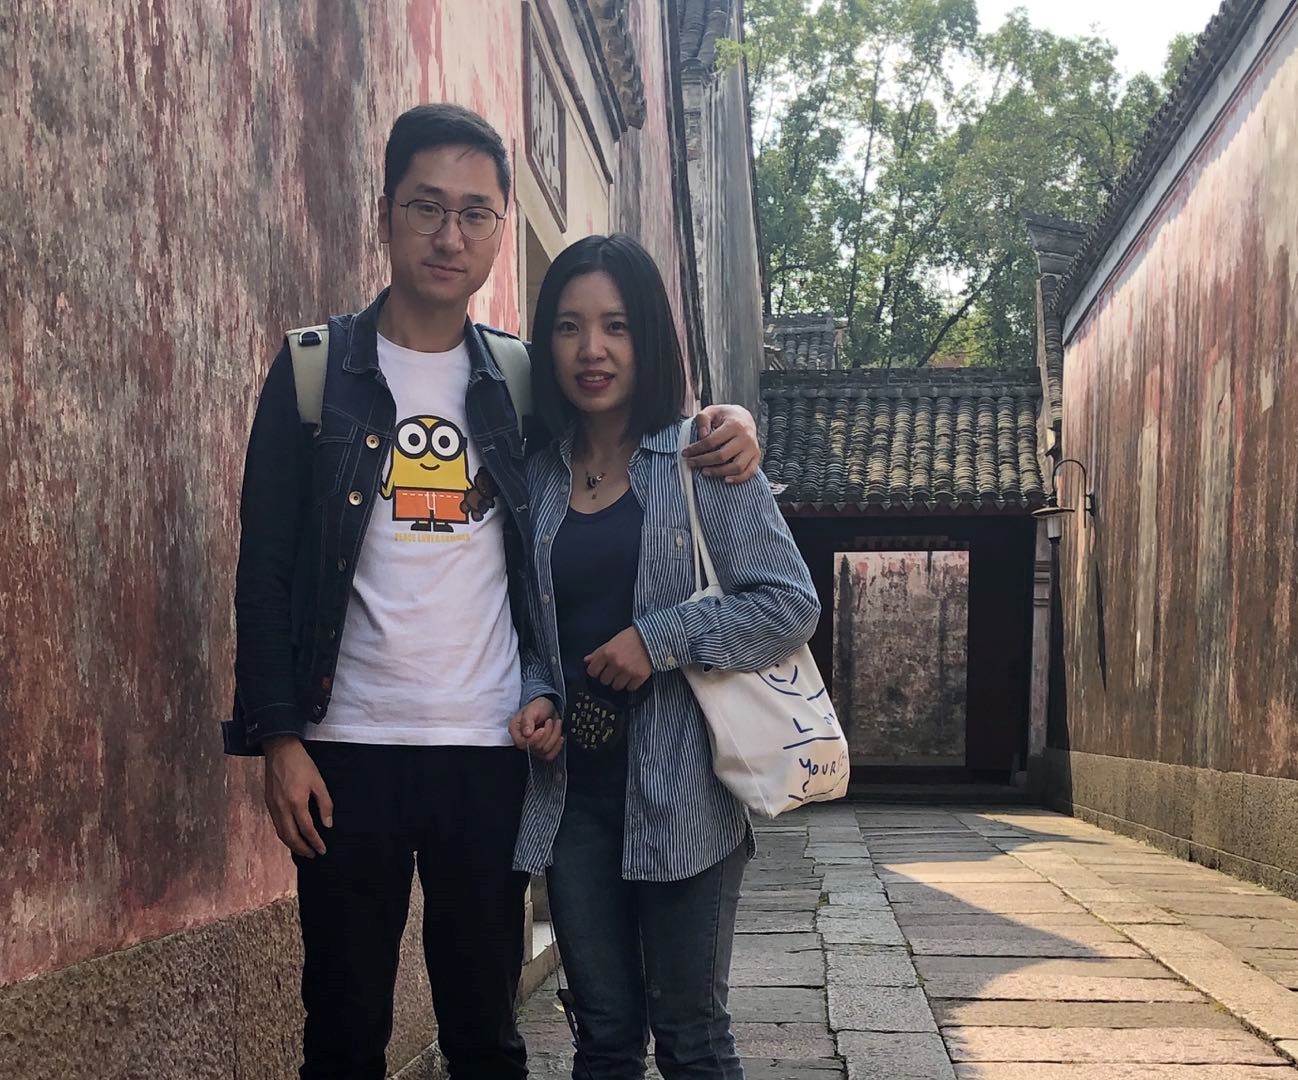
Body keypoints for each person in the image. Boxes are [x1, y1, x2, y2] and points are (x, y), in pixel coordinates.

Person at [225, 104, 763, 1080]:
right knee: (341, 1031)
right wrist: (279, 739)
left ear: (499, 228)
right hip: (344, 749)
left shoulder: (521, 382)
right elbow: (262, 571)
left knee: (485, 1033)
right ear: (385, 213)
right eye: (426, 207)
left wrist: (727, 423)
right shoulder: (312, 374)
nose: (449, 235)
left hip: (491, 754)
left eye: (475, 213)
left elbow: (627, 429)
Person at [509, 233, 820, 1080]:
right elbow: (533, 633)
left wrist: (661, 638)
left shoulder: (703, 457)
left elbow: (790, 604)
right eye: (569, 327)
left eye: (615, 325)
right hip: (572, 800)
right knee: (603, 1038)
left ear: (647, 336)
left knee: (691, 1037)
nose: (593, 349)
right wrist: (539, 696)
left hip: (685, 795)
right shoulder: (538, 480)